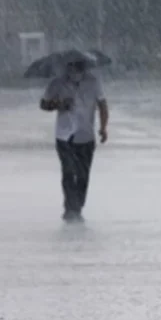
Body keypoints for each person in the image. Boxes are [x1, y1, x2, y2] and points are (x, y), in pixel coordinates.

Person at [40, 56, 109, 222]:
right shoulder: (57, 83)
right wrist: (59, 104)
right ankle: (70, 208)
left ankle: (77, 206)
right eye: (72, 66)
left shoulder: (94, 82)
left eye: (79, 66)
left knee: (83, 174)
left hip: (86, 135)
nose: (75, 70)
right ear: (67, 66)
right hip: (64, 135)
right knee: (69, 171)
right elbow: (43, 104)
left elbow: (103, 105)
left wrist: (103, 127)